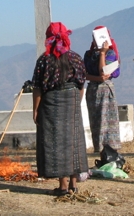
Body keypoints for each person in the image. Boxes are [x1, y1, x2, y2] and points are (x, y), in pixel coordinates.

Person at [32, 22, 89, 196]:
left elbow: (38, 87)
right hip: (72, 100)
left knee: (55, 141)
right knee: (73, 141)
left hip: (51, 103)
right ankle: (73, 184)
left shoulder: (44, 59)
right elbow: (81, 84)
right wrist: (74, 103)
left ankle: (63, 186)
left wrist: (35, 109)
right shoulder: (76, 58)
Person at [83, 26, 122, 153]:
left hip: (106, 91)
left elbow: (104, 72)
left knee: (108, 122)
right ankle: (100, 150)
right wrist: (97, 78)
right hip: (93, 91)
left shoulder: (110, 54)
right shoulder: (88, 55)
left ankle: (111, 151)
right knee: (97, 122)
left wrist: (103, 53)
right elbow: (84, 74)